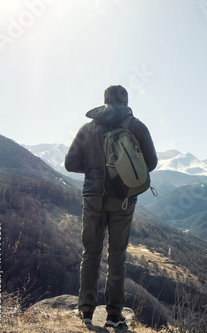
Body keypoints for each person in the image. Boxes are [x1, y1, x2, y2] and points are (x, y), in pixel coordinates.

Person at [65, 85, 158, 328]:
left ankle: (86, 309)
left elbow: (70, 163)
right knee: (117, 257)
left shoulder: (87, 128)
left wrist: (95, 169)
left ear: (104, 101)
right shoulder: (136, 126)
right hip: (123, 200)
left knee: (90, 253)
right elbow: (152, 162)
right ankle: (114, 315)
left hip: (93, 199)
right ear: (125, 101)